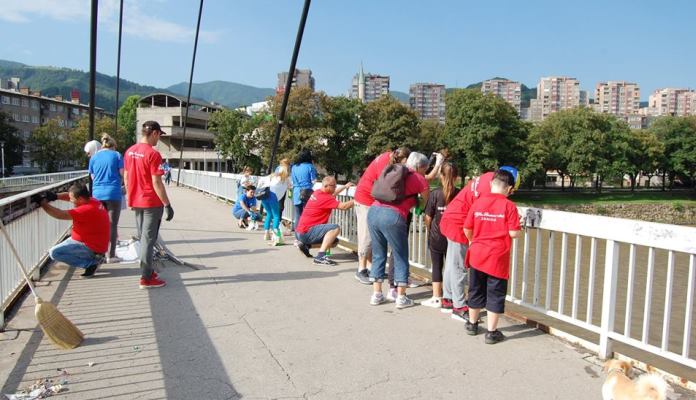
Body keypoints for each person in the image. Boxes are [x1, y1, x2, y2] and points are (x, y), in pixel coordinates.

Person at [439, 165, 519, 321]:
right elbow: (492, 211)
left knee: (451, 263)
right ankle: (459, 306)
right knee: (459, 267)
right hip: (460, 223)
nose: (510, 193)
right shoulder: (490, 190)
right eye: (511, 189)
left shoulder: (487, 178)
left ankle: (448, 299)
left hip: (452, 218)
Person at [463, 169, 522, 344]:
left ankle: (472, 324)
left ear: (491, 184)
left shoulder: (478, 202)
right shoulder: (509, 206)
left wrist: (475, 241)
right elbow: (513, 233)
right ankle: (491, 332)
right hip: (497, 257)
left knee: (475, 289)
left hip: (477, 254)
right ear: (509, 188)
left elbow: (467, 228)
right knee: (495, 293)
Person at [367, 152, 429, 309]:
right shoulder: (418, 178)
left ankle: (377, 295)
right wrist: (419, 206)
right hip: (393, 216)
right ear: (420, 166)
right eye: (426, 169)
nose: (425, 172)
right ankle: (401, 297)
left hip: (374, 211)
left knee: (378, 254)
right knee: (400, 255)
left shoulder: (392, 170)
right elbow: (426, 199)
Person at [124, 120, 174, 289]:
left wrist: (129, 199)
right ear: (154, 133)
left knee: (143, 237)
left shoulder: (130, 151)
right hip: (151, 203)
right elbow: (157, 182)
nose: (158, 139)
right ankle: (146, 278)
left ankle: (148, 271)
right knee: (148, 240)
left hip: (136, 201)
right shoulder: (153, 154)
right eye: (159, 135)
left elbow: (127, 177)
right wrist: (167, 204)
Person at [353, 148, 411, 284]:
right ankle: (361, 269)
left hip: (370, 199)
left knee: (374, 237)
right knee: (366, 236)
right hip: (365, 200)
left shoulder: (388, 158)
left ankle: (372, 268)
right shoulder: (386, 164)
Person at [33, 183, 110, 277]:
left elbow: (59, 214)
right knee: (58, 249)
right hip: (93, 242)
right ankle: (94, 259)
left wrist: (42, 203)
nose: (70, 200)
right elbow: (69, 196)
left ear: (80, 199)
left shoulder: (86, 210)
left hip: (91, 246)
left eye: (72, 199)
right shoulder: (92, 201)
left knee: (54, 253)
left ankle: (90, 263)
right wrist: (55, 196)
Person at [422, 162, 460, 308]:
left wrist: (430, 230)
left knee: (437, 266)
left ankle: (437, 297)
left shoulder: (435, 193)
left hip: (437, 235)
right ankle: (452, 298)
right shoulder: (459, 194)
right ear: (456, 178)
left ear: (441, 176)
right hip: (454, 237)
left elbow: (428, 217)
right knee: (453, 267)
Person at [295, 176, 354, 265]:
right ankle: (320, 257)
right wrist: (359, 198)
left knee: (334, 242)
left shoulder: (318, 193)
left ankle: (306, 246)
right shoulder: (325, 197)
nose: (335, 188)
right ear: (326, 186)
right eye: (333, 186)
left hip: (300, 232)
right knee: (335, 228)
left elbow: (332, 194)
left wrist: (344, 187)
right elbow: (344, 206)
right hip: (307, 232)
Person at [89, 133, 124, 263]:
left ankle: (99, 254)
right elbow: (122, 173)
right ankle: (111, 255)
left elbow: (92, 177)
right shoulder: (117, 155)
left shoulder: (94, 157)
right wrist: (121, 183)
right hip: (113, 193)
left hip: (97, 194)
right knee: (112, 225)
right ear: (113, 146)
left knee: (99, 225)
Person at [290, 149, 318, 230]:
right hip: (307, 192)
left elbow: (293, 180)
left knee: (298, 215)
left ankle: (297, 237)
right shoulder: (310, 166)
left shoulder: (294, 167)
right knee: (307, 215)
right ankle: (305, 234)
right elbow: (314, 180)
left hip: (296, 192)